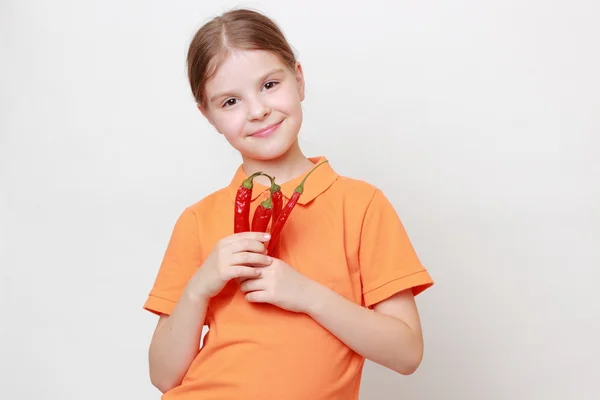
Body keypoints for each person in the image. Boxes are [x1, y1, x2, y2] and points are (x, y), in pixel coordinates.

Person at [143, 8, 434, 400]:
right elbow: (163, 376)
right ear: (208, 116)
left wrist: (307, 295)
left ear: (298, 79)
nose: (258, 110)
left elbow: (406, 352)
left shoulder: (361, 205)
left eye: (269, 84)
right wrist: (199, 289)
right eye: (230, 101)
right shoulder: (197, 221)